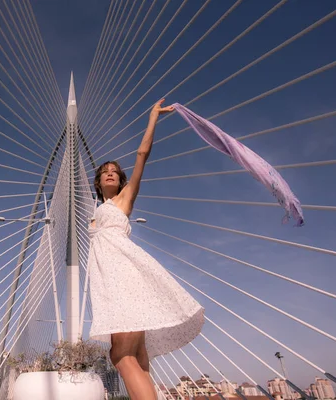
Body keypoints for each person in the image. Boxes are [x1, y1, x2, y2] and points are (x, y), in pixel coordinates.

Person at [88, 99, 205, 400]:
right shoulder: (96, 211)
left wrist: (152, 117)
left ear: (122, 180)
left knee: (121, 355)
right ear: (98, 182)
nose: (111, 174)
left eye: (115, 171)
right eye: (105, 172)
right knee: (138, 357)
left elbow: (142, 154)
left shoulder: (124, 200)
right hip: (114, 276)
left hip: (123, 273)